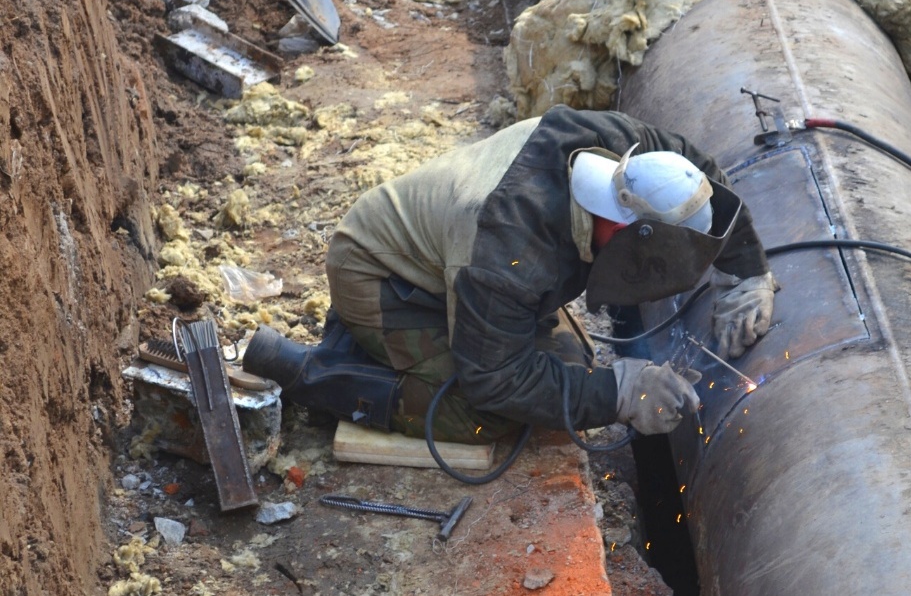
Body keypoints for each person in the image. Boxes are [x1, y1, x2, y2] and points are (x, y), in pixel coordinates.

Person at [244, 104, 777, 444]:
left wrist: (749, 273)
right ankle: (315, 372)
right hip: (379, 276)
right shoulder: (511, 251)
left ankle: (388, 350)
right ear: (625, 232)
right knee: (491, 417)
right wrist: (622, 394)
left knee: (571, 365)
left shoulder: (631, 156)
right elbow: (495, 380)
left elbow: (698, 176)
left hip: (449, 261)